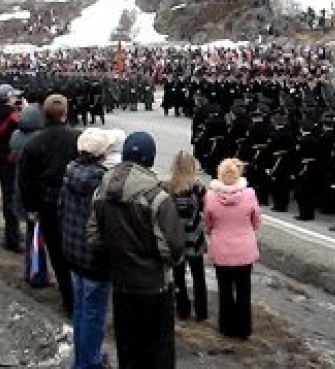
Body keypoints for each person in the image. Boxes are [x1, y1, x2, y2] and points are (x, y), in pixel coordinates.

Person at [88, 131, 184, 369]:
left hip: (121, 282)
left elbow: (93, 238)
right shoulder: (157, 197)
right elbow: (172, 249)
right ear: (150, 159)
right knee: (158, 352)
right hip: (154, 286)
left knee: (128, 350)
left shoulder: (101, 191)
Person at [19, 94, 80, 316]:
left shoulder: (34, 142)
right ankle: (78, 299)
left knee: (58, 256)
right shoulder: (77, 138)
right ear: (65, 113)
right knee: (75, 252)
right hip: (73, 205)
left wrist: (31, 207)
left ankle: (70, 302)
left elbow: (25, 180)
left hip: (47, 205)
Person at [60, 128, 115, 369]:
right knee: (93, 314)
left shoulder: (70, 172)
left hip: (73, 250)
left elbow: (61, 210)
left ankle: (84, 357)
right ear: (101, 154)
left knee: (82, 309)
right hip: (94, 257)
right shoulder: (103, 183)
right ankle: (88, 362)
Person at [204, 158, 261, 340]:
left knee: (225, 290)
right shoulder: (250, 194)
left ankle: (226, 327)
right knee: (244, 291)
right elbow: (256, 220)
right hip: (244, 249)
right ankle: (243, 329)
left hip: (222, 249)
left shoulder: (211, 196)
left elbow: (208, 222)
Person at [164, 150, 208, 322]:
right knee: (198, 277)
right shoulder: (198, 188)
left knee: (178, 276)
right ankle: (201, 312)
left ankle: (183, 310)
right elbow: (205, 210)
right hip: (194, 237)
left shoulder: (168, 188)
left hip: (176, 238)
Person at [10, 104, 46, 284]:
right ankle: (36, 274)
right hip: (34, 196)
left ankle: (31, 271)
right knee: (37, 237)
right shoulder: (37, 141)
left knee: (33, 234)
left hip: (22, 192)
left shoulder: (16, 137)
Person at [0, 84, 22, 251]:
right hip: (9, 158)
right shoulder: (11, 116)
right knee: (11, 197)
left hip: (1, 157)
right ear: (7, 98)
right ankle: (12, 238)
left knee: (8, 195)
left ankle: (12, 233)